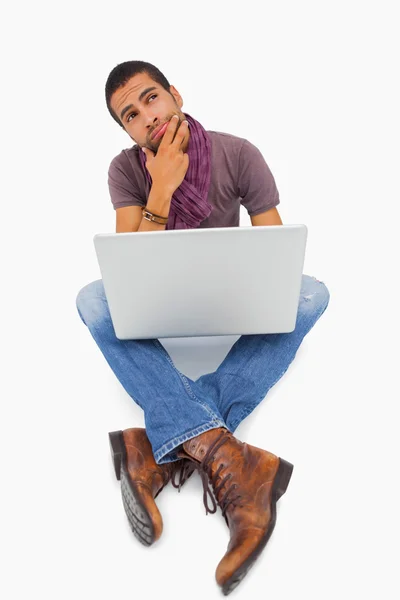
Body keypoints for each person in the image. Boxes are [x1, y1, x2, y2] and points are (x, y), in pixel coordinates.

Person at [76, 60, 330, 595]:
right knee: (94, 302)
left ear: (174, 93)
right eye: (131, 113)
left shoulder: (239, 153)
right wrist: (161, 190)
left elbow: (275, 257)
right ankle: (232, 460)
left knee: (311, 293)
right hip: (158, 308)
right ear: (125, 129)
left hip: (230, 303)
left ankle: (158, 449)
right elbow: (127, 273)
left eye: (151, 98)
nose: (148, 116)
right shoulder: (125, 171)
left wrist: (261, 287)